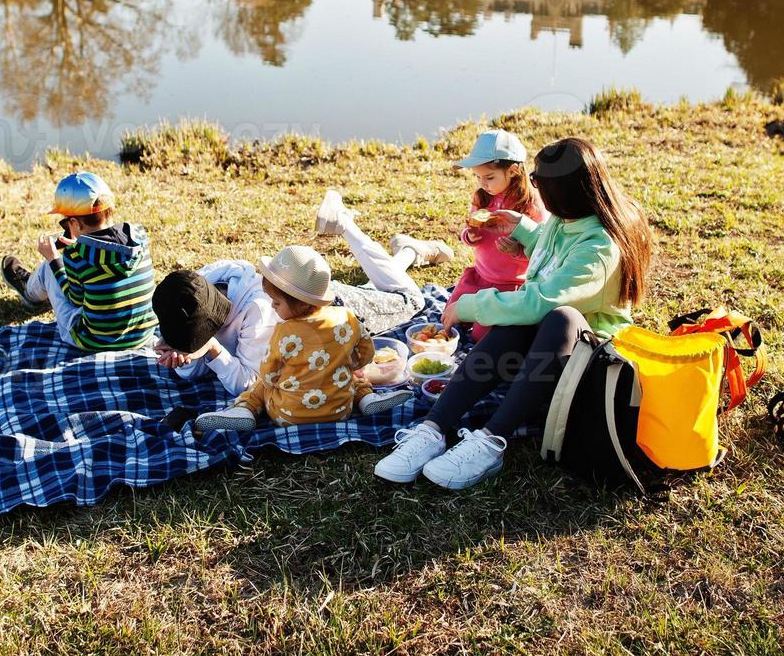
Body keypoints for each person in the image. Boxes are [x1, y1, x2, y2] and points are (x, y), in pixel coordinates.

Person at [373, 137, 652, 490]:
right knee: (519, 318)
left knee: (553, 316)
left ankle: (491, 442)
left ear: (567, 193)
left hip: (591, 360)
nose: (533, 187)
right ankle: (432, 428)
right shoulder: (572, 216)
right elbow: (554, 257)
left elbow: (544, 299)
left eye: (538, 184)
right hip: (552, 344)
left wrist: (471, 305)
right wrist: (523, 229)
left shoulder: (599, 247)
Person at [195, 246, 413, 431]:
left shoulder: (283, 332)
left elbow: (269, 374)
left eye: (277, 303)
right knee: (348, 376)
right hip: (341, 410)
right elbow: (367, 352)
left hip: (287, 416)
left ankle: (244, 409)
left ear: (303, 303)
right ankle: (367, 398)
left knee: (260, 384)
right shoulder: (345, 317)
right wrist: (351, 364)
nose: (272, 306)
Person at [0, 171, 157, 353]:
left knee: (49, 268)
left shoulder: (76, 256)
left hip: (93, 341)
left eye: (66, 224)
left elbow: (74, 300)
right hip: (141, 336)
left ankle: (29, 293)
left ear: (75, 223)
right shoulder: (139, 236)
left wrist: (54, 259)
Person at [450, 129, 550, 342]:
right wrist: (469, 235)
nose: (482, 183)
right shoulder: (482, 196)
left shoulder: (530, 204)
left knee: (481, 336)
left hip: (509, 285)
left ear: (513, 170)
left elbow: (544, 251)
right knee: (449, 316)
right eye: (477, 176)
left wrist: (518, 250)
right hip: (480, 275)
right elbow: (468, 227)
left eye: (489, 177)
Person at [313, 189, 449, 336]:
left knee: (394, 299)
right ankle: (409, 251)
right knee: (408, 299)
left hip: (320, 305)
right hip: (324, 304)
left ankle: (409, 251)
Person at [150, 263, 278, 397]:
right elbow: (196, 371)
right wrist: (181, 359)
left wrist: (213, 348)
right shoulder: (190, 286)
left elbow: (250, 385)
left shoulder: (258, 311)